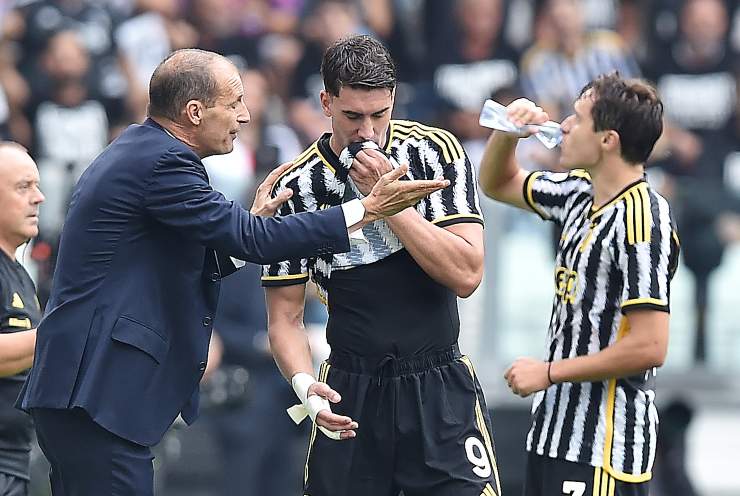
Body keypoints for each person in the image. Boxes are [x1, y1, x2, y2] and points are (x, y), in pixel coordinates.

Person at [16, 48, 447, 496]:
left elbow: (189, 261)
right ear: (195, 112)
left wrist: (249, 232)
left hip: (85, 395)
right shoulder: (163, 163)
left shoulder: (144, 152)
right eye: (235, 102)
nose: (245, 115)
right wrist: (366, 208)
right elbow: (252, 238)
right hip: (97, 395)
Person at [263, 35, 501, 496]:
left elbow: (467, 274)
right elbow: (285, 318)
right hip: (352, 390)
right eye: (353, 117)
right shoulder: (299, 186)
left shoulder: (435, 151)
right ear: (326, 101)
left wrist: (390, 207)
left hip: (438, 383)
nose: (368, 131)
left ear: (394, 99)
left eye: (380, 114)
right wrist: (304, 386)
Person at [478, 73, 680, 496]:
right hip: (553, 433)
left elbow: (649, 346)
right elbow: (496, 183)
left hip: (605, 447)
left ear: (607, 140)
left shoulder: (643, 220)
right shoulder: (577, 193)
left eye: (578, 118)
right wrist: (508, 134)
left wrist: (549, 372)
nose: (564, 125)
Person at [0, 142, 45, 496]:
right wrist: (62, 333)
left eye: (38, 185)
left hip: (15, 461)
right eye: (23, 187)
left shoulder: (19, 273)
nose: (39, 197)